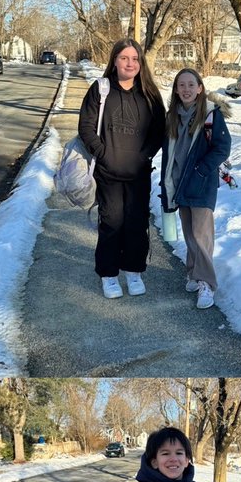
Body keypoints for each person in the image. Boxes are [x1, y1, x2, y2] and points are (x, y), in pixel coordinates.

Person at [78, 38, 166, 300]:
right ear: (114, 61)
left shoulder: (149, 94)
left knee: (137, 224)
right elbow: (85, 127)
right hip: (108, 173)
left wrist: (146, 155)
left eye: (135, 59)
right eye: (124, 58)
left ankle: (134, 271)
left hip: (139, 173)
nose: (130, 63)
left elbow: (159, 130)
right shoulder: (101, 89)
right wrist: (103, 154)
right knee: (112, 223)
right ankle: (109, 274)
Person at [160, 68, 232, 311]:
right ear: (176, 90)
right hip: (180, 182)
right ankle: (193, 273)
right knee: (190, 233)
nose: (187, 89)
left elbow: (222, 148)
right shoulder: (173, 115)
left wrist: (202, 170)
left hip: (201, 183)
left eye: (191, 84)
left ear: (200, 88)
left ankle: (207, 283)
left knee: (201, 235)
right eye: (182, 85)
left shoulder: (211, 115)